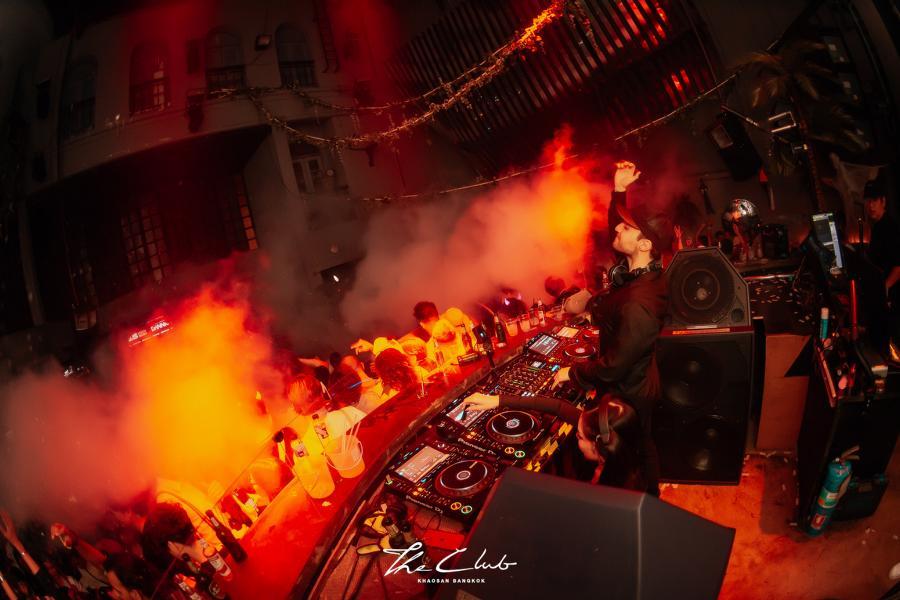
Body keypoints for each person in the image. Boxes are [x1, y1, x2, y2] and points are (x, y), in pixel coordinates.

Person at [553, 160, 670, 496]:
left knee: (638, 449)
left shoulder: (638, 304)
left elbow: (613, 366)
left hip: (631, 389)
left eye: (627, 228)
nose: (618, 229)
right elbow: (617, 236)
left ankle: (645, 501)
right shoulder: (640, 271)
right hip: (639, 379)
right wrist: (619, 191)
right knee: (643, 443)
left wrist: (574, 373)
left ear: (645, 245)